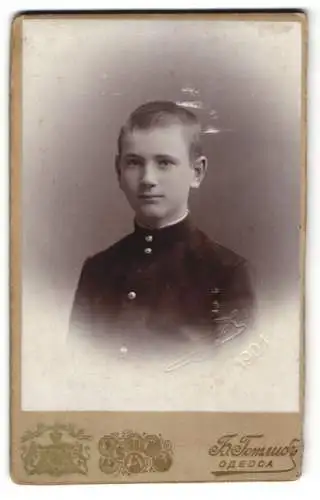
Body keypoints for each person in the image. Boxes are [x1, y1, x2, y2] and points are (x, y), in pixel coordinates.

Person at [69, 101, 255, 357]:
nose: (148, 179)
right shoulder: (97, 271)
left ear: (197, 173)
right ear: (118, 171)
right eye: (134, 162)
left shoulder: (227, 274)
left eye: (164, 163)